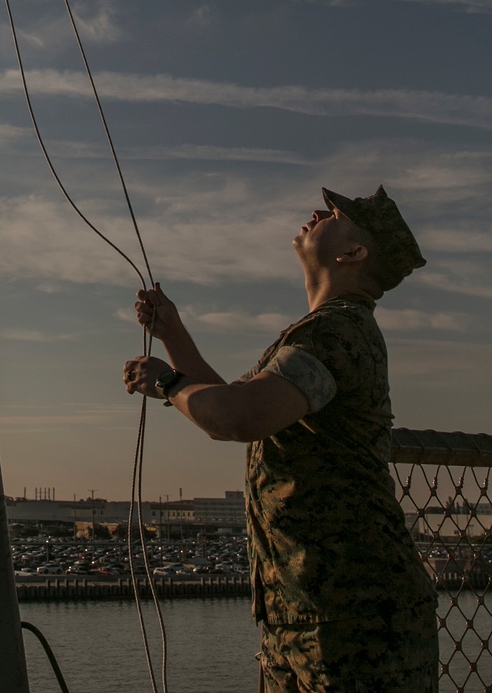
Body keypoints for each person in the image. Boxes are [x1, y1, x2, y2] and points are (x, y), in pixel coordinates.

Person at [123, 185, 438, 693]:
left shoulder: (334, 333)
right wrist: (174, 334)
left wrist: (166, 382)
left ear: (353, 253)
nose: (316, 213)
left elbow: (238, 418)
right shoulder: (327, 331)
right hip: (315, 615)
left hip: (353, 622)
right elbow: (233, 400)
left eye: (334, 214)